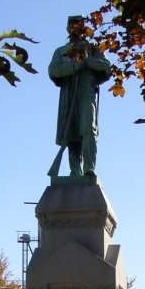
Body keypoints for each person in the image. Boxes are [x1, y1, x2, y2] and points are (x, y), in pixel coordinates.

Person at [48, 15, 111, 177]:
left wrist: (88, 61)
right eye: (72, 26)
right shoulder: (61, 51)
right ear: (68, 29)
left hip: (87, 89)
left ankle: (89, 168)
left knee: (88, 128)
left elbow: (106, 68)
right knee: (71, 132)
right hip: (68, 91)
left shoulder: (93, 48)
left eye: (78, 26)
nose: (74, 29)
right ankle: (75, 171)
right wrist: (74, 67)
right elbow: (53, 70)